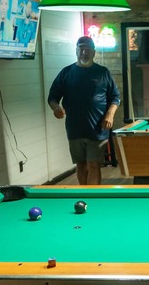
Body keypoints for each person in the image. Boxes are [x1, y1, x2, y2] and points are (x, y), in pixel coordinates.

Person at [47, 36, 120, 185]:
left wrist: (110, 115)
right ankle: (84, 194)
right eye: (81, 48)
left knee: (93, 164)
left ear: (94, 52)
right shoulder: (66, 72)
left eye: (87, 49)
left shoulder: (102, 72)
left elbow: (115, 98)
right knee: (81, 165)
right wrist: (56, 108)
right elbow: (52, 98)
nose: (84, 52)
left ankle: (93, 197)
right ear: (76, 50)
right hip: (75, 129)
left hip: (98, 128)